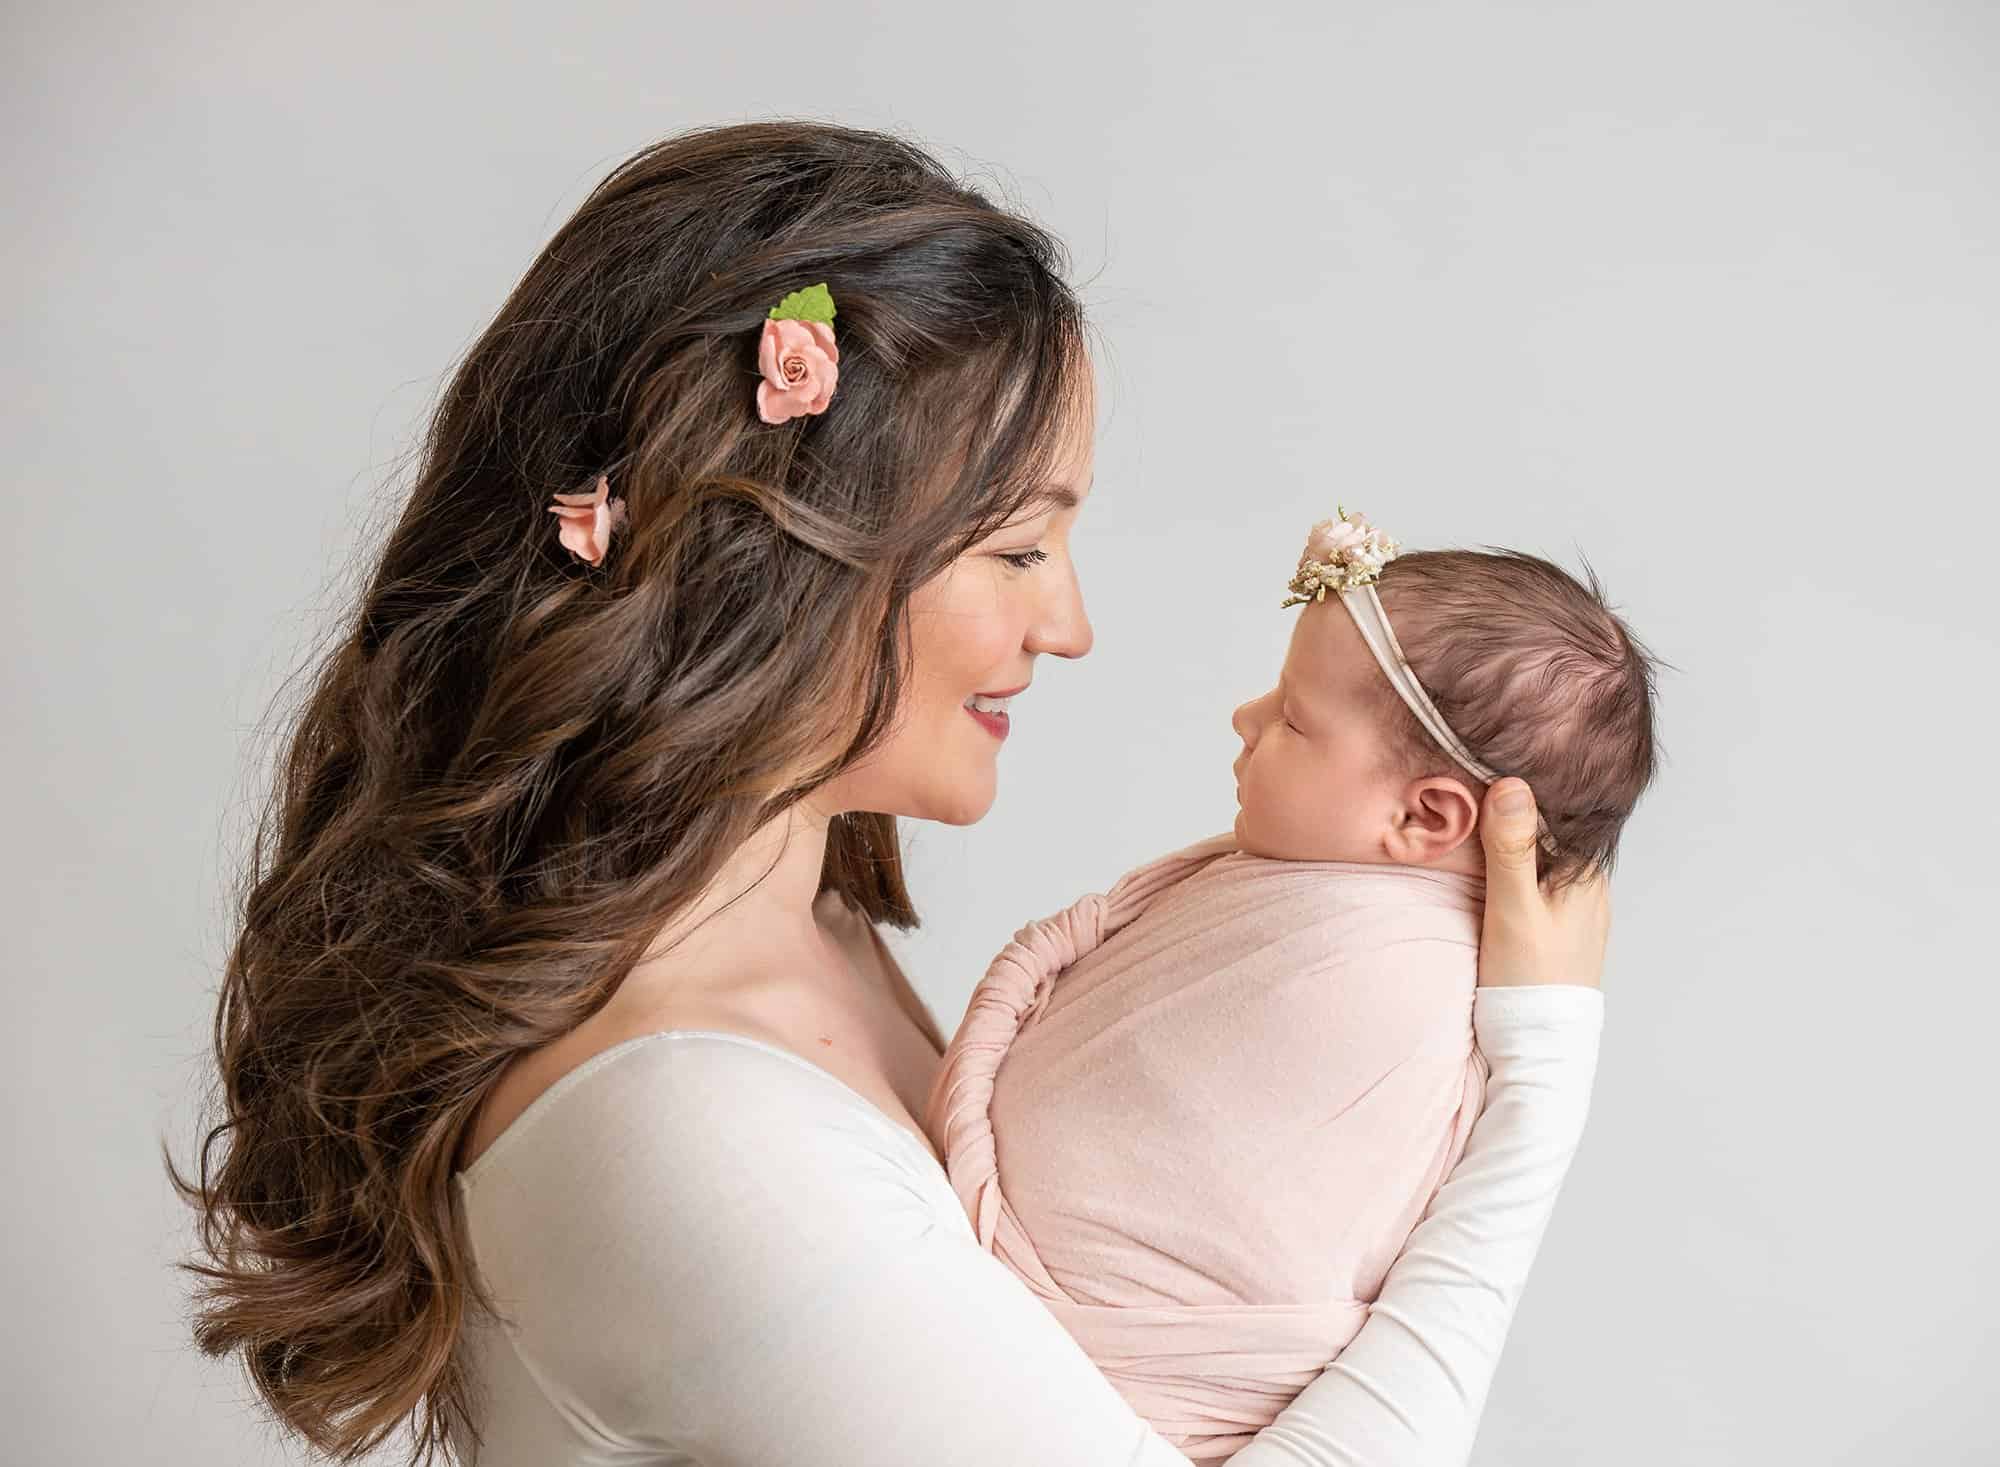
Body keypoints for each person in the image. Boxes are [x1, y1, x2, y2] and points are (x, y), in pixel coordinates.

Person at [175, 122, 1609, 1467]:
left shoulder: (803, 935)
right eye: (1017, 549)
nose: (1071, 626)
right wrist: (1536, 1085)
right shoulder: (694, 1129)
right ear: (794, 556)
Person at [930, 514, 1658, 1459]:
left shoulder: (1398, 981)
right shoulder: (1303, 889)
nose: (1247, 717)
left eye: (1294, 718)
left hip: (1120, 1382)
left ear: (1426, 814)